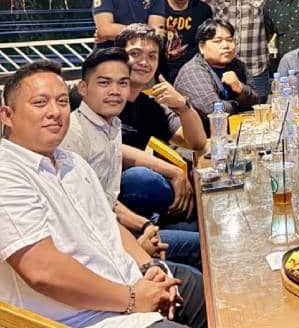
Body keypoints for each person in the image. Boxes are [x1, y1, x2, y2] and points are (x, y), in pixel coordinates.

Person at [0, 60, 206, 328]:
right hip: (89, 317)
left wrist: (148, 267)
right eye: (40, 103)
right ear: (7, 115)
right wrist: (132, 299)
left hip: (129, 281)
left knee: (205, 290)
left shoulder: (72, 162)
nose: (55, 112)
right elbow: (42, 269)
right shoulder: (8, 173)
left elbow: (108, 224)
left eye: (62, 102)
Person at [61, 48, 201, 270]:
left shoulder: (113, 125)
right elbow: (86, 213)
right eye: (104, 83)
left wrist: (183, 105)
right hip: (100, 250)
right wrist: (138, 242)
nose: (115, 91)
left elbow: (197, 142)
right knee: (201, 253)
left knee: (201, 230)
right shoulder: (74, 133)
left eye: (122, 83)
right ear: (83, 88)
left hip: (121, 226)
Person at [114, 24, 207, 225]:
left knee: (200, 224)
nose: (144, 62)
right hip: (112, 201)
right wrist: (173, 172)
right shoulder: (101, 98)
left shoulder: (149, 106)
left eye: (152, 56)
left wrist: (183, 106)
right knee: (141, 178)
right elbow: (109, 147)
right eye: (135, 53)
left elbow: (197, 143)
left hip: (144, 211)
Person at [200, 0, 277, 100]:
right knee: (226, 111)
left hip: (256, 69)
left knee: (260, 110)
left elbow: (287, 1)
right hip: (223, 71)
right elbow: (194, 11)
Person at [175, 18, 259, 132]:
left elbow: (256, 102)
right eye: (217, 41)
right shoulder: (192, 71)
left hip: (238, 131)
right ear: (202, 47)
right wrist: (239, 104)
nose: (226, 45)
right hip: (203, 137)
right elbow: (213, 109)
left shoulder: (237, 65)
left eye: (229, 40)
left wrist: (240, 88)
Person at [163, 0, 213, 83]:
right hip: (157, 72)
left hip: (191, 75)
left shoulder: (203, 10)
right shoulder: (156, 5)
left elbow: (206, 44)